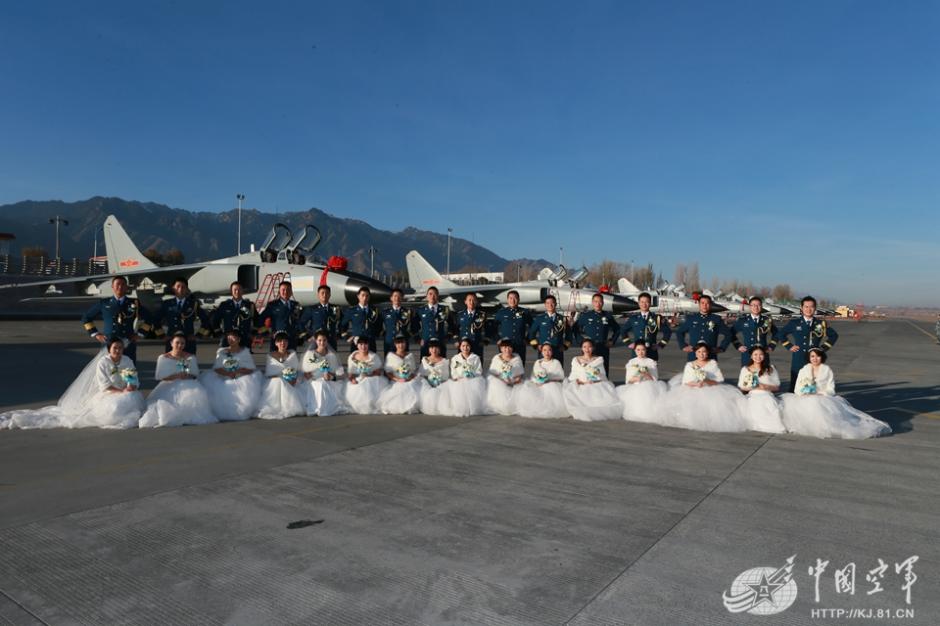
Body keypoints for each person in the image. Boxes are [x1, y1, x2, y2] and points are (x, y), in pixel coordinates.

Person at [0, 337, 145, 430]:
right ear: (109, 349)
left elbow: (131, 376)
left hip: (124, 391)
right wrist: (121, 392)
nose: (118, 351)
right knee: (115, 407)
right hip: (109, 393)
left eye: (120, 348)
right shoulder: (103, 362)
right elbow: (104, 384)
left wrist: (130, 386)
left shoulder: (126, 360)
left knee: (133, 399)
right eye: (115, 348)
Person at [780, 348, 890, 439]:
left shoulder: (827, 370)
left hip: (822, 397)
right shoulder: (803, 370)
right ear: (809, 358)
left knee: (818, 406)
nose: (815, 359)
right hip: (804, 397)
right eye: (812, 356)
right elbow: (797, 388)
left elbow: (831, 389)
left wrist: (820, 393)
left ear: (822, 357)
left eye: (818, 356)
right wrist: (804, 393)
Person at [660, 342, 748, 432]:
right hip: (693, 388)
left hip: (710, 388)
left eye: (704, 352)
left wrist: (706, 381)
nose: (701, 354)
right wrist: (696, 384)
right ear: (695, 353)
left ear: (707, 353)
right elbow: (686, 382)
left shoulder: (712, 363)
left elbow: (719, 380)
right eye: (699, 352)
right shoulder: (690, 365)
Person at [140, 332, 217, 428]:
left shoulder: (190, 357)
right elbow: (159, 376)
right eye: (177, 342)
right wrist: (176, 376)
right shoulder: (163, 358)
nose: (180, 345)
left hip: (187, 383)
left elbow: (195, 373)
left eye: (182, 343)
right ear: (171, 343)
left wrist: (187, 375)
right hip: (169, 384)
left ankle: (187, 416)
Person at [81, 275, 152, 363]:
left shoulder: (134, 303)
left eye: (123, 284)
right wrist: (95, 334)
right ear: (112, 286)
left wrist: (140, 334)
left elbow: (149, 318)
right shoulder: (104, 303)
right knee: (107, 368)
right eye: (117, 284)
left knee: (128, 371)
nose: (120, 287)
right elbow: (86, 318)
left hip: (127, 341)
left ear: (126, 287)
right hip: (109, 341)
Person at [776, 296, 839, 392]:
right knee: (795, 386)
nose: (809, 309)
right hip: (799, 358)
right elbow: (780, 334)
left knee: (815, 386)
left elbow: (834, 336)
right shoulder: (794, 323)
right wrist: (789, 345)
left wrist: (822, 349)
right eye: (806, 307)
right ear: (801, 308)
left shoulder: (820, 323)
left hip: (815, 360)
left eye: (811, 307)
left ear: (815, 308)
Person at [199, 329, 263, 421]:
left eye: (233, 337)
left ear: (238, 339)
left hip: (240, 377)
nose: (230, 339)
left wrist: (237, 372)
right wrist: (227, 373)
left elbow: (250, 368)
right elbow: (217, 367)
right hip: (224, 376)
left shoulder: (245, 351)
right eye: (228, 337)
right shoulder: (221, 351)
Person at [563, 338, 622, 421]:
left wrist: (594, 380)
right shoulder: (576, 359)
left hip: (595, 383)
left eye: (589, 347)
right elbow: (573, 375)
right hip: (580, 383)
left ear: (593, 348)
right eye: (584, 347)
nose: (587, 349)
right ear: (581, 348)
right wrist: (578, 381)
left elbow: (602, 375)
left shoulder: (598, 360)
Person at [153, 277, 212, 354]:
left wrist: (198, 335)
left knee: (188, 364)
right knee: (171, 363)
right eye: (178, 286)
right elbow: (155, 320)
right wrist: (162, 335)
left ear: (187, 289)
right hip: (172, 340)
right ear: (173, 288)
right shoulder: (167, 304)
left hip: (188, 341)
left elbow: (206, 320)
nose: (180, 289)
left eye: (183, 287)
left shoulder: (193, 304)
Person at [736, 345, 785, 433]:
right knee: (754, 404)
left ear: (764, 356)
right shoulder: (745, 369)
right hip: (753, 395)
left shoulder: (770, 369)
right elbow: (741, 386)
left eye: (761, 354)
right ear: (751, 356)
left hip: (767, 394)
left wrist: (765, 387)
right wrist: (752, 386)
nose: (758, 357)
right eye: (755, 354)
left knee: (769, 403)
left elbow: (777, 387)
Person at [257, 331, 306, 419]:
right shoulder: (271, 356)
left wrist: (292, 378)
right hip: (275, 382)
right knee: (279, 382)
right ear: (276, 343)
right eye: (280, 341)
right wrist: (283, 377)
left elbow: (296, 371)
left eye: (285, 341)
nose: (282, 343)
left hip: (291, 381)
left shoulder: (292, 355)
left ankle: (289, 405)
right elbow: (269, 374)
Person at [299, 330, 349, 417]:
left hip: (328, 379)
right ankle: (319, 408)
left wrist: (330, 375)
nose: (322, 342)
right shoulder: (310, 354)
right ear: (316, 341)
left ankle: (328, 407)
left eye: (324, 340)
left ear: (327, 341)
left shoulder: (331, 355)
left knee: (337, 385)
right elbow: (305, 371)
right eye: (319, 340)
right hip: (313, 380)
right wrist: (310, 374)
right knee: (321, 384)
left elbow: (335, 371)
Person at [617, 341, 668, 423]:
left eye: (643, 350)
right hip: (634, 385)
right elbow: (628, 380)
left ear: (646, 350)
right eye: (638, 350)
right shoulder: (632, 362)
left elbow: (654, 379)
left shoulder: (651, 362)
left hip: (648, 385)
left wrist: (646, 374)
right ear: (635, 351)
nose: (640, 352)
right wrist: (637, 378)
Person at [513, 343, 568, 419]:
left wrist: (547, 380)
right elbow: (533, 376)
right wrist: (537, 381)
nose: (547, 352)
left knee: (550, 388)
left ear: (552, 352)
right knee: (527, 387)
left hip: (551, 383)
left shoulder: (556, 362)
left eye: (549, 350)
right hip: (539, 383)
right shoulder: (538, 362)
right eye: (544, 350)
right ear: (541, 352)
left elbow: (560, 376)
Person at [572, 293, 620, 375]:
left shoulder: (608, 316)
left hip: (603, 347)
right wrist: (581, 341)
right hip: (588, 349)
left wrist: (612, 340)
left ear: (603, 303)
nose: (598, 304)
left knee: (603, 370)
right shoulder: (586, 316)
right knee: (587, 370)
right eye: (596, 301)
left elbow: (617, 329)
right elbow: (575, 328)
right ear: (592, 303)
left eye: (600, 302)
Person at [674, 294, 732, 361]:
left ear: (710, 305)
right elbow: (679, 332)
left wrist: (722, 348)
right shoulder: (691, 318)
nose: (705, 305)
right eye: (702, 303)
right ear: (699, 304)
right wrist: (683, 346)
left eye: (707, 303)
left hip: (710, 357)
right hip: (693, 357)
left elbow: (728, 334)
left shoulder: (716, 319)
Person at [440, 337, 488, 417]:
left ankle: (472, 407)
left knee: (473, 385)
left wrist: (471, 375)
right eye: (463, 346)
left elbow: (479, 370)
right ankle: (461, 406)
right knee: (459, 387)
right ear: (460, 347)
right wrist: (457, 377)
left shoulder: (475, 358)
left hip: (472, 379)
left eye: (467, 346)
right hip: (459, 379)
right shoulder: (455, 358)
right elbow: (453, 371)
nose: (465, 348)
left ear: (470, 346)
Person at [378, 334, 424, 414]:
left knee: (412, 387)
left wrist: (410, 378)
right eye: (398, 343)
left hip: (409, 379)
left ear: (405, 344)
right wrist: (398, 379)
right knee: (400, 390)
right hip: (396, 380)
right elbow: (388, 372)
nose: (401, 345)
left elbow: (413, 371)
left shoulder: (410, 356)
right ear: (395, 344)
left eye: (402, 343)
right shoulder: (391, 356)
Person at [620, 292, 672, 361]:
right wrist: (628, 343)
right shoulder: (633, 318)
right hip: (637, 354)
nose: (644, 304)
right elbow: (623, 330)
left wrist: (660, 344)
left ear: (650, 303)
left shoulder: (656, 318)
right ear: (639, 303)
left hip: (651, 353)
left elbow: (667, 332)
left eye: (647, 302)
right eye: (642, 302)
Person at [345, 335, 387, 414]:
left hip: (371, 379)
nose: (363, 347)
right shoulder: (352, 357)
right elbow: (351, 373)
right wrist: (352, 379)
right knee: (355, 387)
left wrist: (368, 376)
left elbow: (378, 372)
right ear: (357, 345)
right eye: (361, 344)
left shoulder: (373, 356)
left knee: (367, 383)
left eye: (365, 344)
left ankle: (370, 403)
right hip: (358, 379)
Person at [731, 296, 777, 366]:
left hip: (762, 355)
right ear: (750, 307)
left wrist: (771, 345)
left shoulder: (767, 320)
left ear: (761, 306)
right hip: (747, 354)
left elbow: (777, 333)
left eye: (758, 305)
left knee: (763, 376)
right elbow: (731, 333)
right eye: (753, 305)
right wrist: (738, 345)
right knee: (747, 376)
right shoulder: (743, 320)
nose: (756, 307)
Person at [258, 281, 303, 350]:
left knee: (291, 359)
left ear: (291, 291)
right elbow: (261, 318)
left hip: (291, 340)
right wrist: (267, 332)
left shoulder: (296, 305)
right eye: (283, 290)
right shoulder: (273, 305)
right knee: (275, 359)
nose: (286, 292)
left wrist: (300, 333)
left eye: (288, 290)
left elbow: (300, 320)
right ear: (279, 291)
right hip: (277, 339)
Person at [485, 337, 525, 416]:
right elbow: (493, 373)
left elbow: (520, 374)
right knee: (494, 382)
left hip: (513, 381)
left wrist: (513, 381)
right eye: (505, 347)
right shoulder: (496, 358)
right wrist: (503, 380)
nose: (507, 349)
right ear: (501, 348)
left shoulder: (517, 358)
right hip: (499, 381)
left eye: (509, 347)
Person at [211, 281, 257, 348]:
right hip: (228, 339)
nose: (237, 292)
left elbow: (257, 320)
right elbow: (215, 320)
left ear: (243, 291)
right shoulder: (224, 305)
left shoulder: (249, 305)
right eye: (235, 290)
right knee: (227, 358)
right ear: (231, 291)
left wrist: (252, 333)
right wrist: (220, 333)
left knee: (245, 357)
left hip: (245, 339)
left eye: (239, 290)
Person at [492, 291, 533, 365]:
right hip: (505, 346)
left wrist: (527, 339)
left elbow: (532, 326)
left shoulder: (525, 312)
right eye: (510, 298)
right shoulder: (502, 312)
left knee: (519, 367)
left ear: (519, 300)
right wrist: (497, 339)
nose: (513, 300)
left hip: (519, 344)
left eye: (515, 298)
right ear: (507, 300)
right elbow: (493, 326)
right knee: (505, 368)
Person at [528, 294, 571, 364]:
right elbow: (531, 333)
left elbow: (569, 334)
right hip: (544, 351)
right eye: (547, 303)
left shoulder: (562, 319)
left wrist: (565, 346)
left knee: (557, 372)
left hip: (557, 351)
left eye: (552, 303)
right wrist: (536, 345)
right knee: (542, 372)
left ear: (556, 304)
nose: (550, 305)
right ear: (545, 305)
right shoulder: (539, 319)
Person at [413, 286, 454, 358]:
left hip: (440, 342)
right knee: (425, 366)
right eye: (430, 294)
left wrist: (448, 337)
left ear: (438, 296)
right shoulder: (421, 310)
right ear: (427, 296)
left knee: (441, 365)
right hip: (426, 343)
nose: (432, 296)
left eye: (435, 294)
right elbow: (414, 325)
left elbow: (452, 324)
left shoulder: (444, 309)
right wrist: (418, 339)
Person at [298, 284, 340, 350]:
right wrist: (307, 336)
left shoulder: (335, 308)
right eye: (322, 293)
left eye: (327, 293)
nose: (324, 295)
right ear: (318, 295)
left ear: (330, 295)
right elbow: (301, 323)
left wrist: (339, 334)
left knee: (331, 359)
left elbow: (342, 322)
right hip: (316, 341)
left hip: (331, 340)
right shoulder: (312, 309)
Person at [340, 286, 381, 353]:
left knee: (371, 362)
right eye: (362, 295)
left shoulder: (374, 311)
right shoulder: (352, 311)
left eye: (367, 296)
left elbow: (379, 325)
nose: (364, 298)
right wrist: (347, 337)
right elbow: (342, 325)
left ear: (369, 297)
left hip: (370, 343)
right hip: (356, 343)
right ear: (358, 296)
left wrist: (374, 335)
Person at [417, 338, 450, 415]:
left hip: (440, 384)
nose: (434, 350)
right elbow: (422, 375)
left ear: (439, 349)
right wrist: (429, 383)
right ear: (429, 350)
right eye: (431, 348)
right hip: (428, 385)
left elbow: (445, 376)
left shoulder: (444, 361)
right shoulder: (425, 360)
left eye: (436, 348)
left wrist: (438, 382)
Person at [380, 288, 412, 356]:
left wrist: (408, 334)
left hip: (403, 342)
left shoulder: (407, 312)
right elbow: (378, 325)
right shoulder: (385, 312)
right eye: (395, 296)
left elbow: (414, 325)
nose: (397, 298)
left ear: (402, 298)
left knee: (403, 363)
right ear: (391, 298)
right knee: (389, 364)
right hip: (389, 342)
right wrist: (385, 334)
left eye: (399, 296)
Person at [455, 294, 487, 360]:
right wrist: (456, 340)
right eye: (469, 300)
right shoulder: (460, 315)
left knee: (477, 365)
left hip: (477, 344)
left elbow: (487, 328)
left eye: (474, 300)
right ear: (465, 302)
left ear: (476, 302)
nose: (471, 302)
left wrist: (485, 340)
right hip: (464, 345)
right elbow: (455, 329)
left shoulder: (482, 315)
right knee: (462, 365)